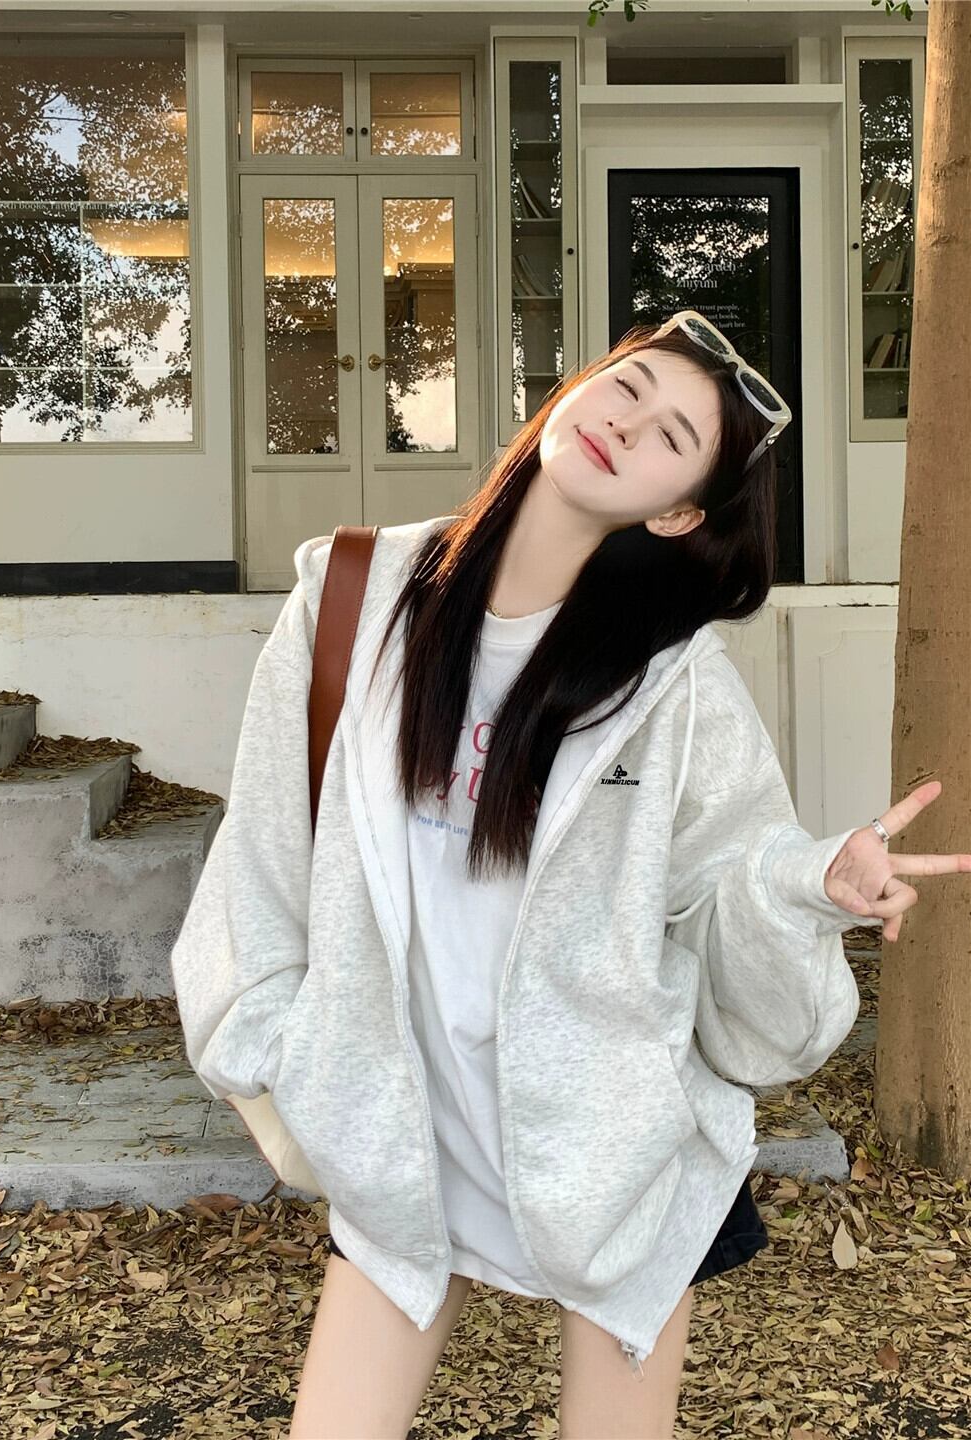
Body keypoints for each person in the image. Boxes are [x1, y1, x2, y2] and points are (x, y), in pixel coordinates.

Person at [171, 312, 968, 1440]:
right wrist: (279, 1050)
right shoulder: (352, 596)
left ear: (677, 511)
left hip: (613, 1150)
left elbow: (723, 882)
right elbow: (263, 850)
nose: (628, 424)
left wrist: (806, 884)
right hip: (401, 1124)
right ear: (571, 392)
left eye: (672, 435)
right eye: (627, 387)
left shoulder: (672, 684)